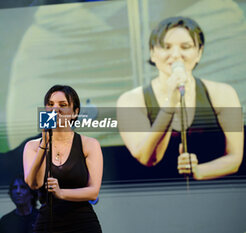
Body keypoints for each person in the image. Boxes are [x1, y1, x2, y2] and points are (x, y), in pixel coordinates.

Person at [117, 16, 244, 180]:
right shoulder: (131, 101)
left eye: (186, 47)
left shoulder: (222, 94)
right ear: (153, 53)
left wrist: (199, 170)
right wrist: (170, 103)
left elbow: (234, 159)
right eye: (166, 47)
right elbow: (146, 157)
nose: (176, 55)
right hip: (156, 197)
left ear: (199, 53)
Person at [23, 85, 103, 232]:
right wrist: (44, 144)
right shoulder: (32, 146)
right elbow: (34, 183)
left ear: (74, 112)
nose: (56, 109)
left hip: (82, 222)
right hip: (48, 221)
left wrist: (61, 193)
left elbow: (93, 191)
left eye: (63, 105)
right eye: (51, 105)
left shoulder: (89, 144)